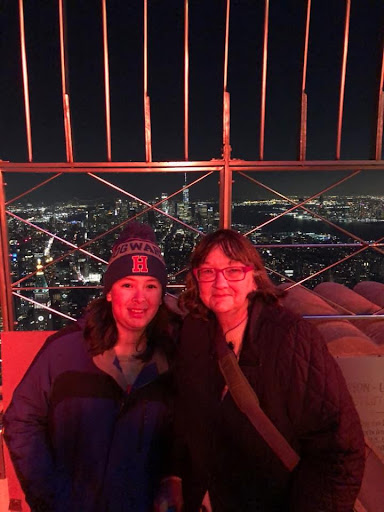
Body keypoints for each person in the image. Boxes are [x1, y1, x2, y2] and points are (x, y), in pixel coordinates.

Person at [174, 228, 365, 512]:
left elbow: (339, 451)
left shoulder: (291, 338)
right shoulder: (194, 331)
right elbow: (186, 420)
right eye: (208, 272)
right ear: (196, 279)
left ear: (254, 277)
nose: (220, 282)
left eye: (234, 270)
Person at [3, 221, 183, 512]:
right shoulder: (65, 351)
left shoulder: (172, 358)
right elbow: (21, 420)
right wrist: (50, 497)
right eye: (127, 285)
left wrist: (170, 480)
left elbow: (183, 432)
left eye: (151, 286)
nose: (140, 298)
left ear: (162, 296)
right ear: (109, 292)